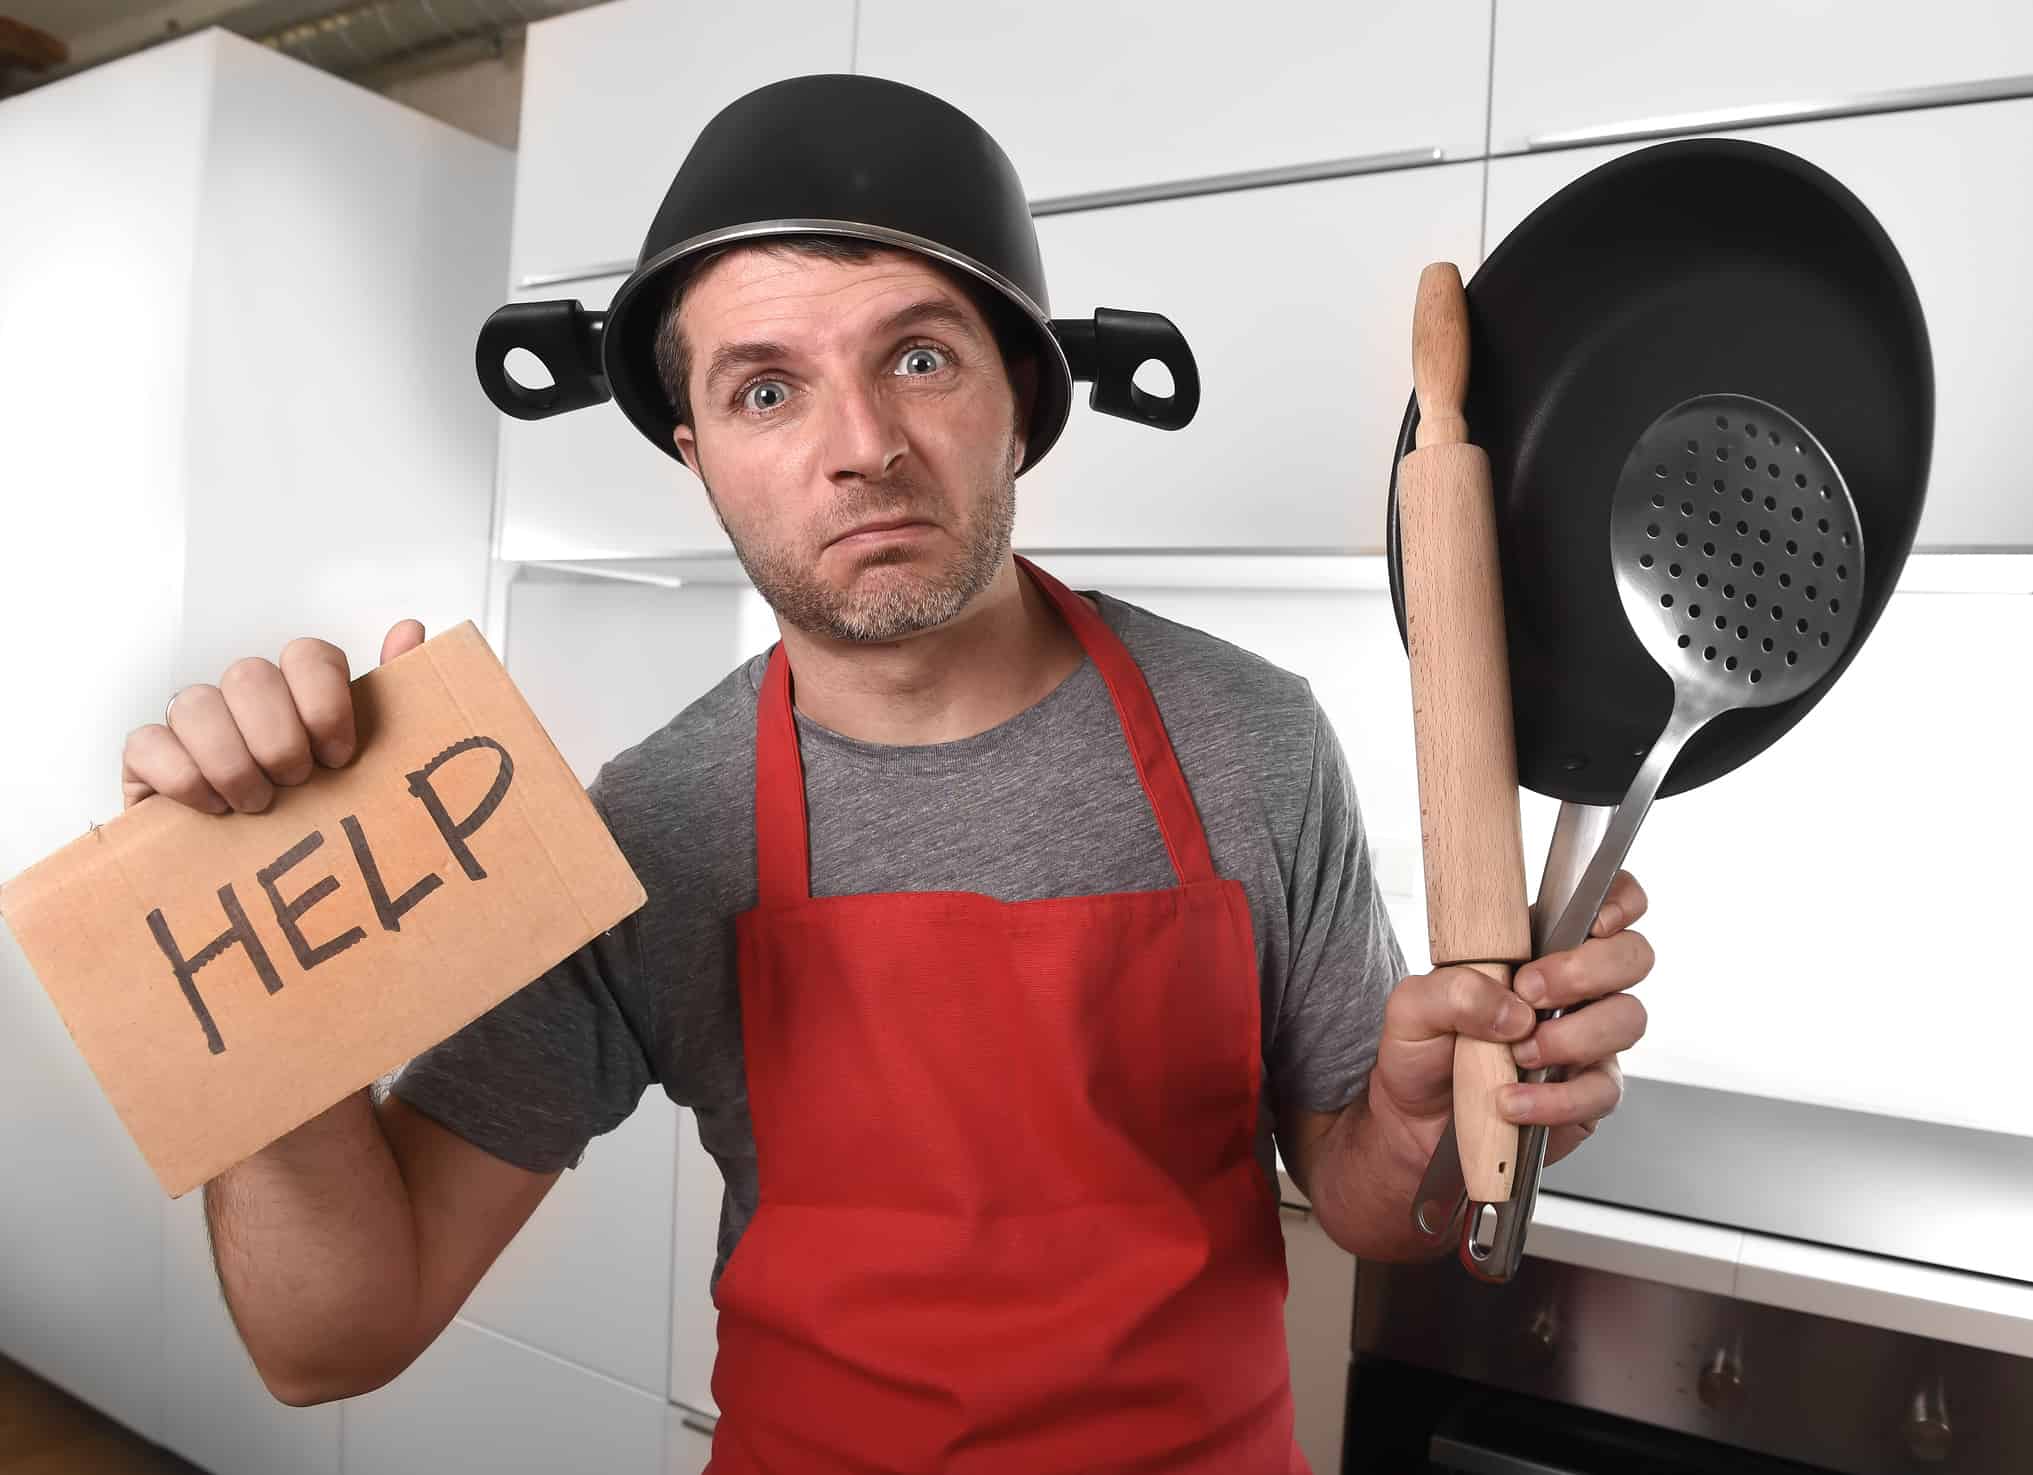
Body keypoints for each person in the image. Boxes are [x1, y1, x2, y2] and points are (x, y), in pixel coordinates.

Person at [120, 75, 1652, 1473]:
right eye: (764, 389)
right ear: (694, 450)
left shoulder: (1248, 735)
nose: (861, 445)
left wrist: (1420, 1130)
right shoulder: (649, 827)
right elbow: (334, 1341)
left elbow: (1377, 1206)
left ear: (1020, 400)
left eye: (918, 357)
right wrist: (264, 996)